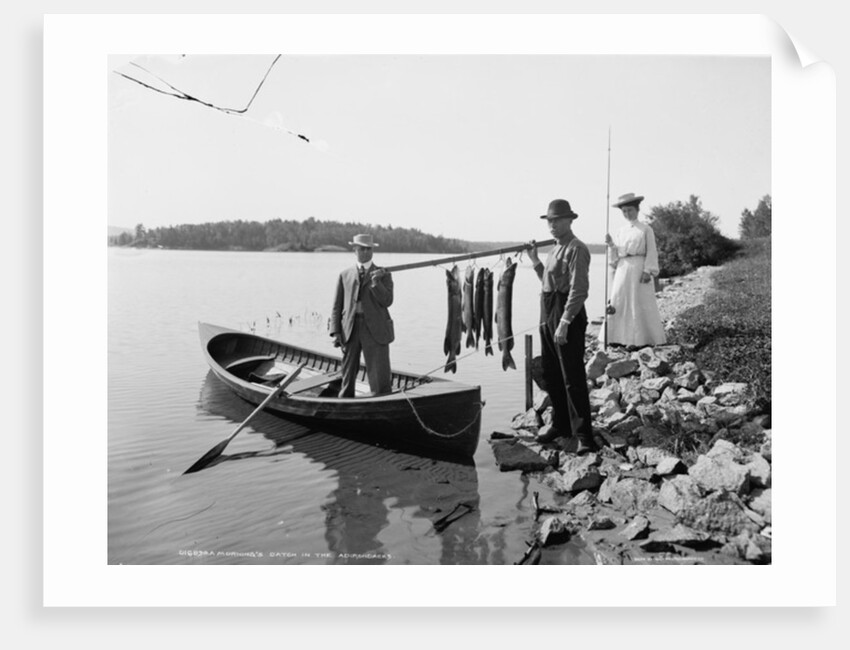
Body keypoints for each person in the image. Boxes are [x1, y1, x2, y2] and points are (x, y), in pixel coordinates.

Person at [527, 199, 597, 454]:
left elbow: (579, 290)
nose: (552, 225)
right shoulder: (554, 248)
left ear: (570, 220)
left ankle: (585, 437)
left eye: (557, 220)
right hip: (547, 312)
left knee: (572, 377)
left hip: (567, 315)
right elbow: (547, 281)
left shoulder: (577, 247)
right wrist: (535, 261)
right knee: (551, 372)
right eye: (549, 221)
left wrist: (565, 322)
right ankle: (561, 425)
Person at [330, 234, 395, 397]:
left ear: (372, 251)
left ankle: (381, 398)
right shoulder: (344, 275)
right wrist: (336, 331)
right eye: (361, 249)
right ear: (355, 250)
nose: (365, 252)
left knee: (379, 372)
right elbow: (337, 306)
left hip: (375, 329)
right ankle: (345, 401)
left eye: (368, 249)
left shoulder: (384, 274)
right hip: (350, 329)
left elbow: (387, 301)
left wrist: (376, 283)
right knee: (348, 370)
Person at [601, 192, 666, 347]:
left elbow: (652, 251)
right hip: (623, 268)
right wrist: (611, 245)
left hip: (639, 267)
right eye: (624, 211)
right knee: (619, 300)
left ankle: (643, 339)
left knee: (640, 302)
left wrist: (648, 270)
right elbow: (616, 256)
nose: (627, 214)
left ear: (637, 210)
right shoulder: (620, 231)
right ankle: (617, 338)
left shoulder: (645, 229)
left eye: (630, 210)